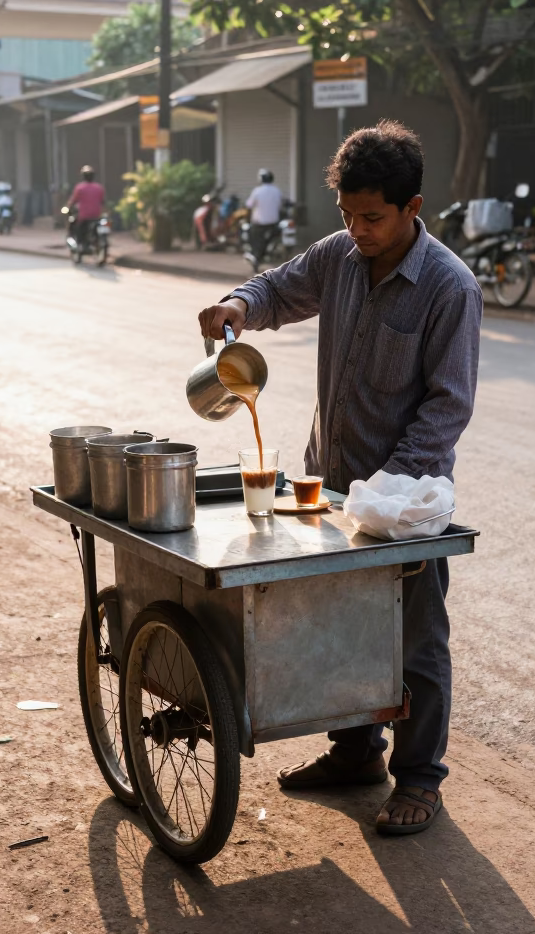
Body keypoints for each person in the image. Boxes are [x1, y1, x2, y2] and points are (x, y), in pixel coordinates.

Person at [197, 120, 482, 836]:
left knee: (414, 642)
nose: (358, 229)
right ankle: (356, 753)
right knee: (341, 626)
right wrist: (238, 305)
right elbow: (278, 286)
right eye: (347, 215)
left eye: (373, 217)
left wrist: (384, 496)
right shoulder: (340, 255)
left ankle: (420, 779)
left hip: (405, 505)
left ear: (412, 208)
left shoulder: (450, 287)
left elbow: (447, 409)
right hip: (328, 488)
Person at [244, 168, 283, 269]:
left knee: (254, 239)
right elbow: (280, 206)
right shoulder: (277, 190)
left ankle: (255, 256)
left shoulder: (257, 191)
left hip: (259, 223)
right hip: (273, 222)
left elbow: (249, 205)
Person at [66, 166, 106, 249]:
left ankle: (81, 244)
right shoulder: (99, 188)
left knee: (78, 227)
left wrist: (68, 207)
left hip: (84, 216)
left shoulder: (80, 188)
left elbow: (73, 200)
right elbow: (103, 201)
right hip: (97, 215)